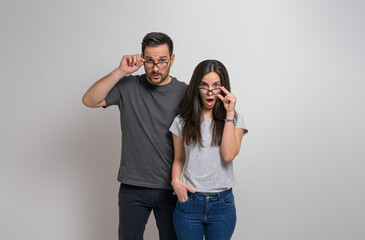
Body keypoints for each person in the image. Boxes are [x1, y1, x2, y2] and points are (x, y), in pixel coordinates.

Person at [82, 32, 187, 240]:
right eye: (150, 61)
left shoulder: (185, 92)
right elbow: (89, 100)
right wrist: (120, 71)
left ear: (172, 59)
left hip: (172, 187)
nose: (156, 68)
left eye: (162, 61)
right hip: (132, 187)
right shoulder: (128, 86)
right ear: (142, 59)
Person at [169, 59, 248, 240]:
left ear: (224, 88)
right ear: (196, 87)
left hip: (222, 205)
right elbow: (179, 159)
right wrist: (175, 180)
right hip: (189, 202)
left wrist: (229, 114)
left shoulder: (235, 119)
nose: (210, 91)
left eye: (216, 85)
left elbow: (228, 155)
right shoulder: (181, 121)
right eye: (204, 85)